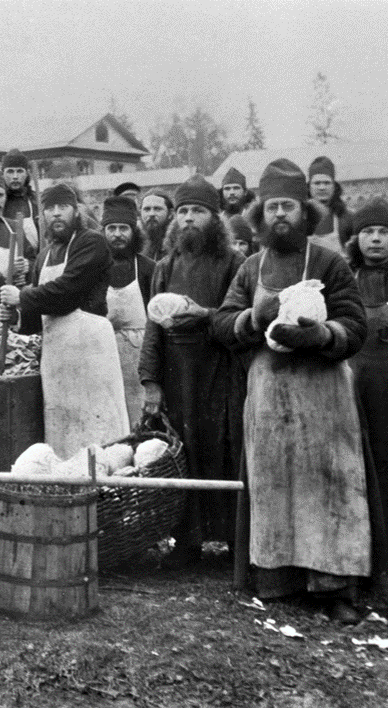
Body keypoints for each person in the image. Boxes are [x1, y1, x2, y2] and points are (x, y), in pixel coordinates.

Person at [213, 158, 379, 622]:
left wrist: (321, 335)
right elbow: (222, 323)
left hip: (323, 394)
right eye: (272, 207)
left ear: (306, 213)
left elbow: (355, 323)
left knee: (331, 486)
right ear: (260, 215)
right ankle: (278, 580)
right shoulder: (249, 268)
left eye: (289, 206)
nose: (280, 215)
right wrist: (254, 318)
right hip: (268, 394)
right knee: (274, 484)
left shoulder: (329, 262)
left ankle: (335, 586)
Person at [138, 174, 245, 568]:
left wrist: (205, 314)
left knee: (225, 448)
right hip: (176, 374)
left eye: (197, 211)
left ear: (214, 218)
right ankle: (186, 542)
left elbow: (240, 318)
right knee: (182, 452)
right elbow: (153, 326)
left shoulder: (235, 263)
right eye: (182, 211)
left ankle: (236, 542)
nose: (187, 219)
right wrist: (151, 381)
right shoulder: (165, 267)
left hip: (220, 370)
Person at [0, 183, 127, 458]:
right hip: (57, 358)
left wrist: (21, 296)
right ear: (43, 215)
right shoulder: (44, 255)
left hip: (91, 353)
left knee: (98, 433)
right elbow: (38, 314)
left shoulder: (91, 242)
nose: (56, 214)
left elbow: (67, 291)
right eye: (50, 209)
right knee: (63, 436)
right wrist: (16, 315)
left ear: (75, 210)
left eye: (63, 207)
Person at [346, 197, 388, 581]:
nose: (375, 240)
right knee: (362, 462)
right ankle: (370, 553)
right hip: (355, 384)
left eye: (384, 232)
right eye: (367, 232)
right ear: (356, 239)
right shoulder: (344, 277)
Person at [102, 196, 155, 429]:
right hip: (103, 356)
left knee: (139, 423)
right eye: (111, 228)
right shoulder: (94, 267)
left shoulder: (147, 268)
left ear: (134, 232)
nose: (117, 234)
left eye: (123, 228)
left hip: (138, 362)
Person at [307, 155, 354, 253]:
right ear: (309, 186)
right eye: (317, 183)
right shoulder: (302, 217)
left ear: (334, 186)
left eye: (327, 183)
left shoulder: (348, 217)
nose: (322, 187)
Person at [1, 148, 40, 251]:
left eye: (19, 171)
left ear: (26, 174)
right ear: (2, 174)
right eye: (10, 171)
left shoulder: (36, 201)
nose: (15, 176)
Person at [139, 189, 174, 262]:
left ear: (170, 213)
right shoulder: (136, 244)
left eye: (157, 209)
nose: (151, 214)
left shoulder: (178, 245)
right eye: (147, 209)